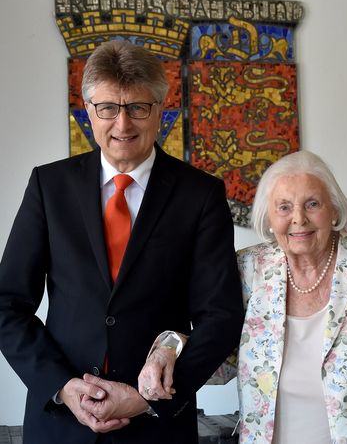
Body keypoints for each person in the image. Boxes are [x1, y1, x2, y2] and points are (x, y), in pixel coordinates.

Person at [0, 40, 244, 444]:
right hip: (61, 425)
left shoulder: (200, 195)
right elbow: (8, 303)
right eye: (108, 108)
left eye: (138, 108)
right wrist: (62, 387)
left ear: (161, 111)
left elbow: (220, 316)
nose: (123, 124)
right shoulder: (49, 186)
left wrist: (145, 399)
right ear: (88, 112)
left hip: (158, 425)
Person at [139, 150, 347, 443]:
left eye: (312, 204)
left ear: (334, 209)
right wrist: (169, 348)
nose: (298, 219)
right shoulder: (247, 269)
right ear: (268, 217)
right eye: (284, 207)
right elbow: (219, 359)